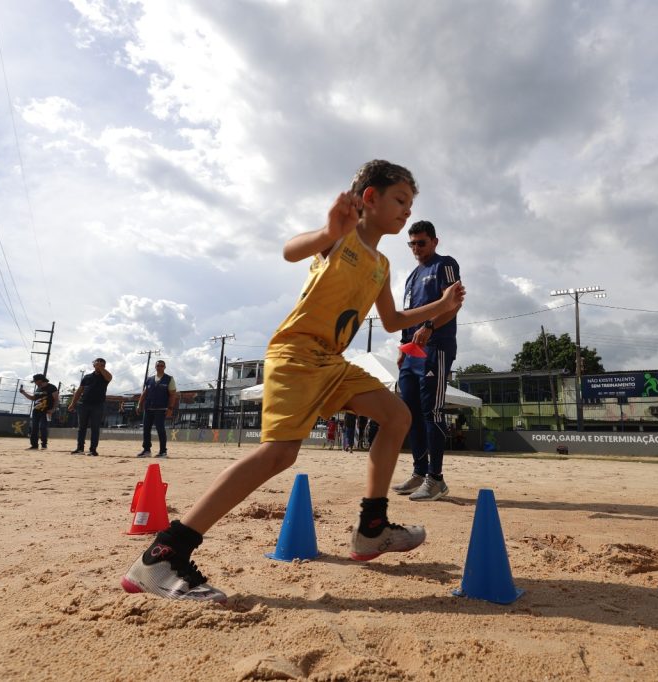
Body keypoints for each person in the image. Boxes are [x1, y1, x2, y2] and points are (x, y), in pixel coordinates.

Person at [121, 160, 465, 602]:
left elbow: (394, 320)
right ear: (370, 197)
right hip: (297, 354)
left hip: (332, 362)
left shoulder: (382, 264)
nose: (407, 210)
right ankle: (164, 554)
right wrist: (327, 231)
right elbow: (290, 250)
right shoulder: (341, 236)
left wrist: (441, 307)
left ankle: (372, 528)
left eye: (411, 204)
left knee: (397, 416)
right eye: (400, 200)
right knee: (279, 454)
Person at [392, 220, 461, 502]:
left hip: (436, 347)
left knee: (432, 411)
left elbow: (454, 303)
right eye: (412, 244)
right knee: (411, 413)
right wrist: (402, 346)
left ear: (434, 241)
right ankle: (419, 473)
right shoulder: (411, 277)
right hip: (412, 352)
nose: (416, 248)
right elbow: (408, 315)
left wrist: (430, 326)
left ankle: (436, 479)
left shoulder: (444, 264)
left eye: (421, 242)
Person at [67, 358, 112, 456]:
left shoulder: (105, 376)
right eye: (97, 364)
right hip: (83, 404)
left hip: (98, 405)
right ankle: (80, 449)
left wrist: (101, 368)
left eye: (102, 365)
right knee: (81, 427)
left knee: (95, 428)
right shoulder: (87, 377)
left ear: (104, 366)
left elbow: (109, 377)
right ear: (93, 365)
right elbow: (79, 391)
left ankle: (93, 450)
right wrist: (73, 403)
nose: (99, 366)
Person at [136, 360, 178, 458]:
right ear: (155, 367)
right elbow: (145, 393)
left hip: (161, 408)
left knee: (160, 429)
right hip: (148, 408)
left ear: (165, 367)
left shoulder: (169, 379)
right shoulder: (149, 379)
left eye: (162, 365)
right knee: (146, 429)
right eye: (158, 365)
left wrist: (170, 408)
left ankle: (163, 452)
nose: (160, 367)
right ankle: (146, 450)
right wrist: (139, 404)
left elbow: (173, 395)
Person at [19, 373, 58, 450]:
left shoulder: (52, 387)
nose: (35, 383)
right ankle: (34, 445)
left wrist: (53, 409)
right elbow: (33, 398)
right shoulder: (38, 388)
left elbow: (56, 399)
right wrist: (24, 393)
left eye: (35, 381)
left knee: (43, 427)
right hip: (36, 411)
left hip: (46, 411)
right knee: (34, 428)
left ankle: (44, 444)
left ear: (40, 380)